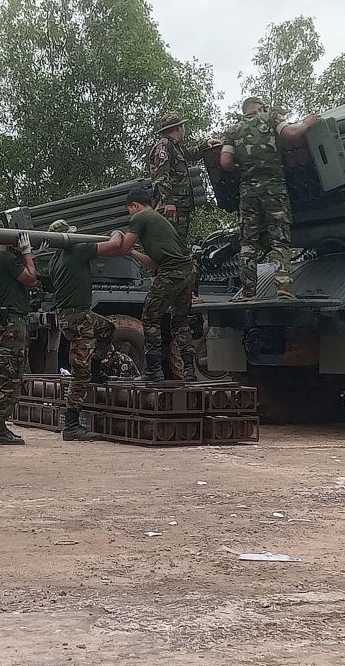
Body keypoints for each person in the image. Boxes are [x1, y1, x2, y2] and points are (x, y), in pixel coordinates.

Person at [218, 96, 314, 301]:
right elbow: (290, 133)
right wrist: (307, 122)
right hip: (274, 188)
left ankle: (249, 292)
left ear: (245, 110)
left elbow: (225, 162)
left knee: (248, 242)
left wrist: (241, 169)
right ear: (260, 107)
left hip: (248, 192)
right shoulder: (271, 117)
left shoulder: (232, 130)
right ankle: (283, 287)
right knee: (279, 239)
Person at [46, 219, 129, 441]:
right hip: (78, 318)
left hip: (72, 315)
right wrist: (117, 231)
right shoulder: (76, 251)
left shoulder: (55, 259)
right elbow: (114, 245)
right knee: (80, 371)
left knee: (107, 328)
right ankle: (72, 424)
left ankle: (97, 369)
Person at [107, 187, 196, 382]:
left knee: (149, 318)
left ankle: (154, 370)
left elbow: (121, 248)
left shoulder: (141, 216)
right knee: (180, 322)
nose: (130, 214)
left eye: (129, 210)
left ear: (134, 206)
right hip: (187, 273)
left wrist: (114, 236)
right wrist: (133, 253)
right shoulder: (158, 219)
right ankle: (189, 371)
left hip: (170, 273)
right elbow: (153, 263)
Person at [0, 227, 37, 445]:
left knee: (1, 372)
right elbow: (31, 279)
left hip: (0, 320)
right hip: (10, 323)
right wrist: (27, 253)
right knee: (9, 374)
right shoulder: (4, 258)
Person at [145, 110, 219, 243]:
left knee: (179, 243)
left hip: (180, 206)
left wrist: (205, 145)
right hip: (171, 208)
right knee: (171, 244)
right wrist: (169, 202)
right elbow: (161, 177)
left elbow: (190, 154)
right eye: (183, 127)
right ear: (178, 128)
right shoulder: (164, 147)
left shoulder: (175, 147)